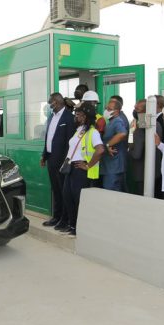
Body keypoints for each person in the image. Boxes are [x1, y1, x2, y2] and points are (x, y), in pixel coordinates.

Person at [61, 103, 105, 236]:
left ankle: (79, 227)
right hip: (71, 168)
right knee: (67, 196)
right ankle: (72, 225)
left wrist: (88, 165)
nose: (76, 117)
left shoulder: (93, 132)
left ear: (86, 116)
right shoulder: (80, 130)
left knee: (77, 199)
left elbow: (100, 149)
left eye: (79, 115)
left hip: (80, 169)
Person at [41, 93, 75, 230]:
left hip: (62, 160)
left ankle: (65, 219)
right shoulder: (51, 117)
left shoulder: (69, 117)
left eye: (50, 102)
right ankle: (56, 216)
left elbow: (69, 142)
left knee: (63, 191)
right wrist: (44, 155)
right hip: (51, 158)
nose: (49, 104)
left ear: (56, 102)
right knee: (55, 189)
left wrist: (66, 160)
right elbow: (48, 138)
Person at [128, 99, 163, 196]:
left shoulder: (141, 126)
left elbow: (136, 154)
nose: (134, 111)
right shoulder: (156, 123)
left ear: (145, 110)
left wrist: (131, 133)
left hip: (141, 174)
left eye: (137, 109)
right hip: (155, 172)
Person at [100, 98, 128, 192]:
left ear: (116, 111)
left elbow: (122, 134)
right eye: (106, 108)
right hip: (109, 166)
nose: (106, 111)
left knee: (111, 193)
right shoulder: (110, 122)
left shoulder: (117, 121)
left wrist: (107, 145)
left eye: (109, 109)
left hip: (114, 167)